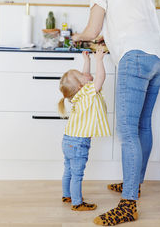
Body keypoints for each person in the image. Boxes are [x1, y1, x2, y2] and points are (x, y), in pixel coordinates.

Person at [72, 0, 160, 225]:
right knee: (142, 125)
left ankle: (128, 205)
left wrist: (77, 36)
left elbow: (91, 31)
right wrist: (110, 39)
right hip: (159, 57)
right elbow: (130, 22)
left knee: (127, 131)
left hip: (136, 57)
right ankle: (134, 184)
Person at [58, 48, 111, 211]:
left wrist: (86, 61)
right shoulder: (87, 92)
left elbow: (85, 77)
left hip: (68, 140)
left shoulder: (77, 95)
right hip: (78, 143)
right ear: (82, 85)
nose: (85, 73)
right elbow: (100, 78)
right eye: (82, 75)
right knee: (77, 175)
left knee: (68, 170)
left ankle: (67, 195)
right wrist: (99, 60)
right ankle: (77, 203)